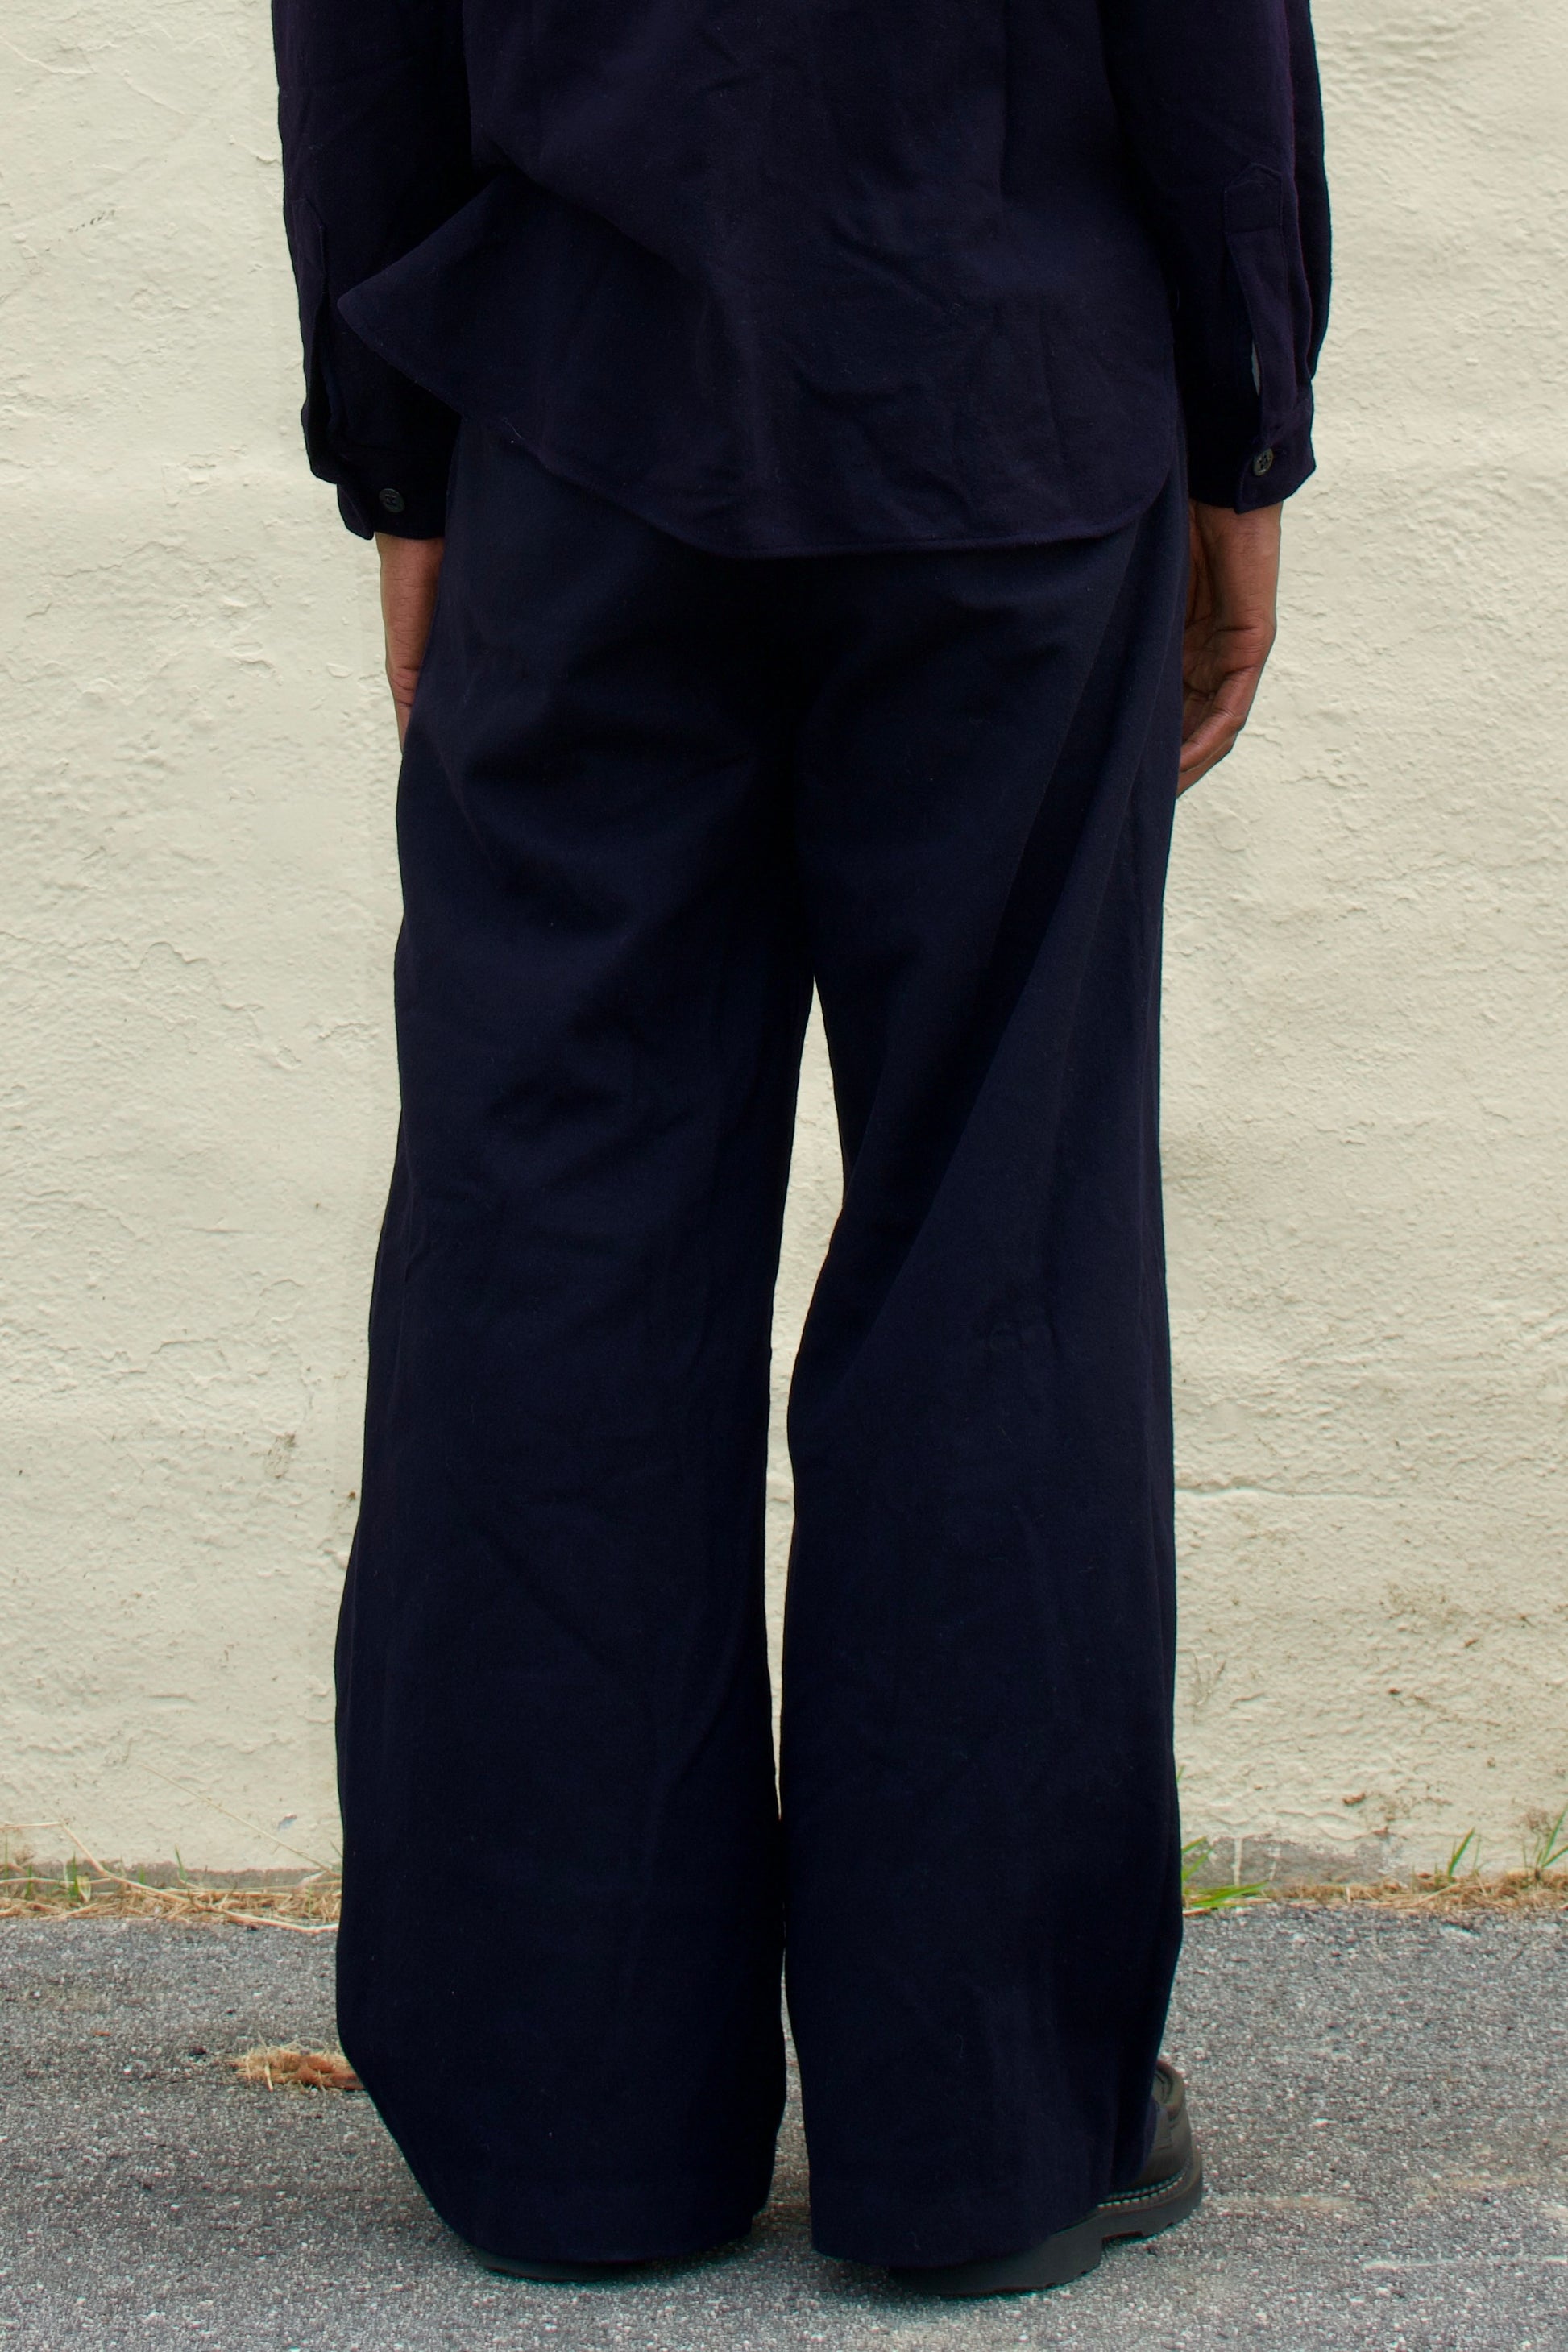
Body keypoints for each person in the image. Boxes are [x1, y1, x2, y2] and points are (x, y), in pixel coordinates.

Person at [271, 0, 1329, 2299]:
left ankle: (563, 2128)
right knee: (998, 1238)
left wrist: (401, 457)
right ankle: (980, 2135)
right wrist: (1246, 413)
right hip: (1011, 399)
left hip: (575, 411)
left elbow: (360, 37)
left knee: (550, 1222)